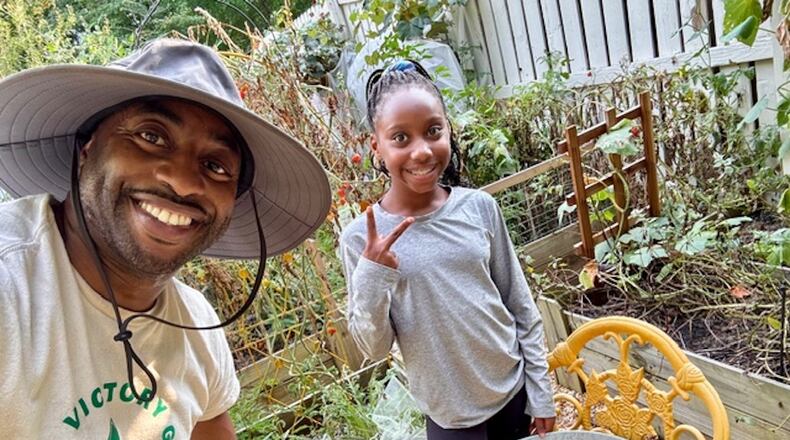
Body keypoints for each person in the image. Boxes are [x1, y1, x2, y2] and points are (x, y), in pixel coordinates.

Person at [0, 39, 330, 438]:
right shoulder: (11, 287)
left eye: (216, 166)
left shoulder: (196, 325)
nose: (184, 181)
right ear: (86, 148)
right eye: (151, 137)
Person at [339, 60, 557, 440]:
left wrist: (540, 393)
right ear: (376, 146)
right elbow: (374, 350)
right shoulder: (362, 239)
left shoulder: (478, 207)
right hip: (450, 418)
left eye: (433, 131)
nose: (422, 151)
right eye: (401, 138)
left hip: (513, 392)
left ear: (448, 131)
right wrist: (373, 274)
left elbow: (519, 304)